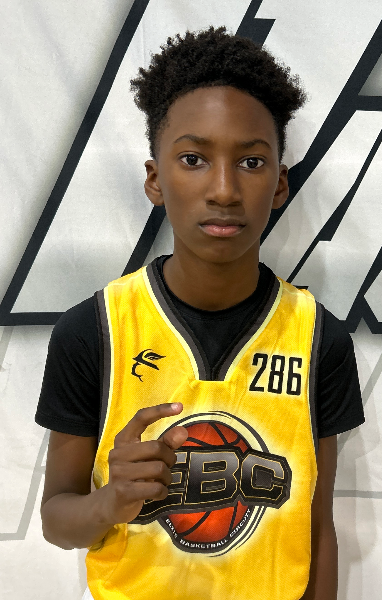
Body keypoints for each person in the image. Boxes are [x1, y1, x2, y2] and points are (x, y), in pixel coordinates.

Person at [36, 27, 364, 600]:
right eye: (193, 159)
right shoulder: (93, 330)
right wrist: (110, 501)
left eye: (252, 162)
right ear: (155, 180)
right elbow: (57, 522)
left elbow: (317, 526)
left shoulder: (319, 339)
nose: (224, 190)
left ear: (279, 185)